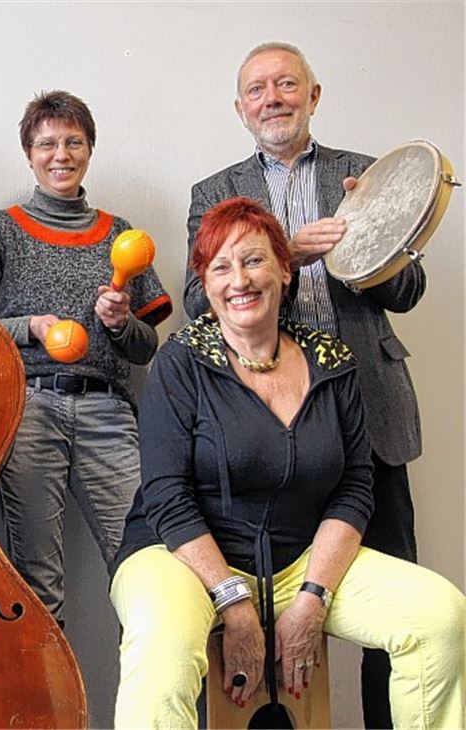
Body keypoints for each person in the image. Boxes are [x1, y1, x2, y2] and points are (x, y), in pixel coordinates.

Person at [110, 196, 464, 729]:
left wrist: (313, 597)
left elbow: (355, 486)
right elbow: (167, 495)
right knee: (164, 640)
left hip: (300, 561)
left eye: (253, 260)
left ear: (284, 270)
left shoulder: (332, 362)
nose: (239, 281)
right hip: (180, 556)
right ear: (205, 286)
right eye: (221, 267)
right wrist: (234, 604)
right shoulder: (180, 360)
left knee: (438, 614)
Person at [182, 42, 426, 727]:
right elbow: (198, 303)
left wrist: (369, 246)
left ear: (313, 96)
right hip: (263, 429)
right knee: (245, 608)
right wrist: (282, 249)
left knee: (395, 601)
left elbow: (409, 289)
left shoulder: (363, 174)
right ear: (240, 109)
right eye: (257, 89)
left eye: (287, 84)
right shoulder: (214, 193)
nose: (273, 98)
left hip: (368, 417)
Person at [0, 90, 171, 624]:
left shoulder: (122, 235)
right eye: (47, 143)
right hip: (25, 411)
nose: (61, 154)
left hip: (108, 412)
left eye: (74, 141)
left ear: (90, 149)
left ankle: (147, 705)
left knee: (147, 568)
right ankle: (47, 709)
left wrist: (122, 324)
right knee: (36, 583)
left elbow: (148, 348)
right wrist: (27, 328)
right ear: (29, 153)